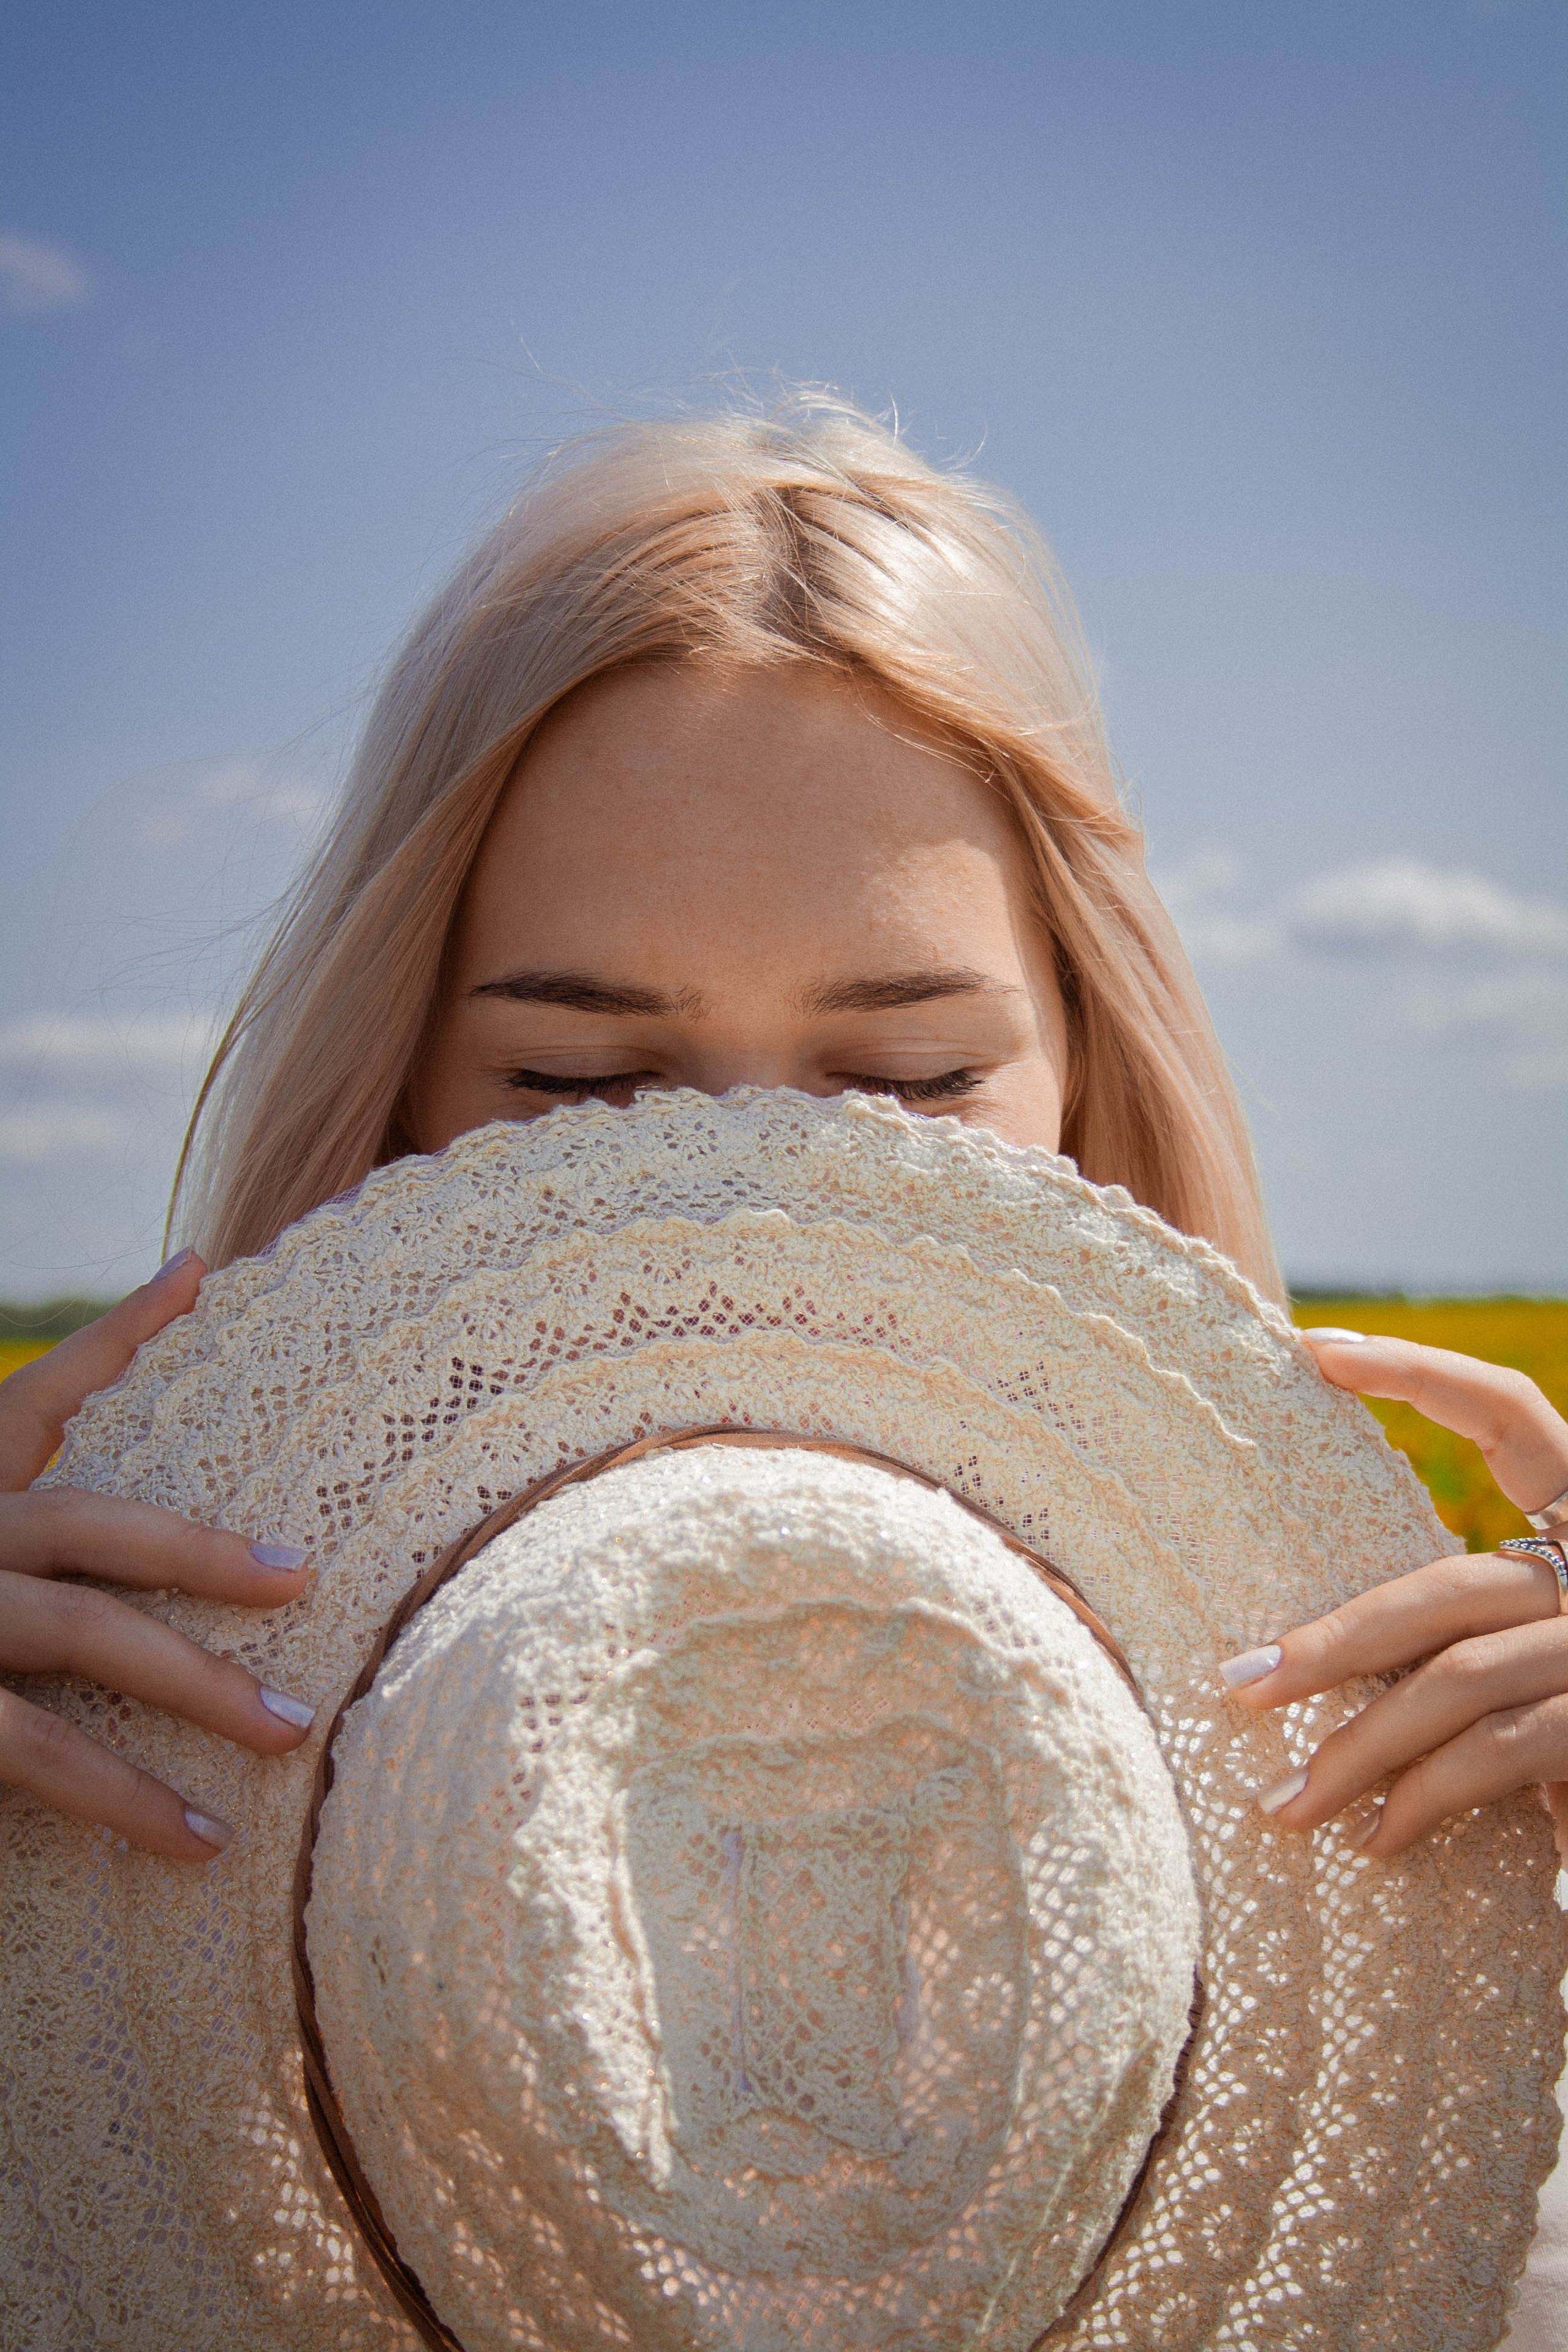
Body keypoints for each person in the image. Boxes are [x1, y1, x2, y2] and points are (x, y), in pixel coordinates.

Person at [2, 393, 1565, 1879]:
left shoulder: (1431, 1753)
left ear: (1091, 1070)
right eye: (575, 1079)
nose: (750, 1203)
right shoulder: (84, 1744)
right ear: (392, 1083)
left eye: (908, 1076)